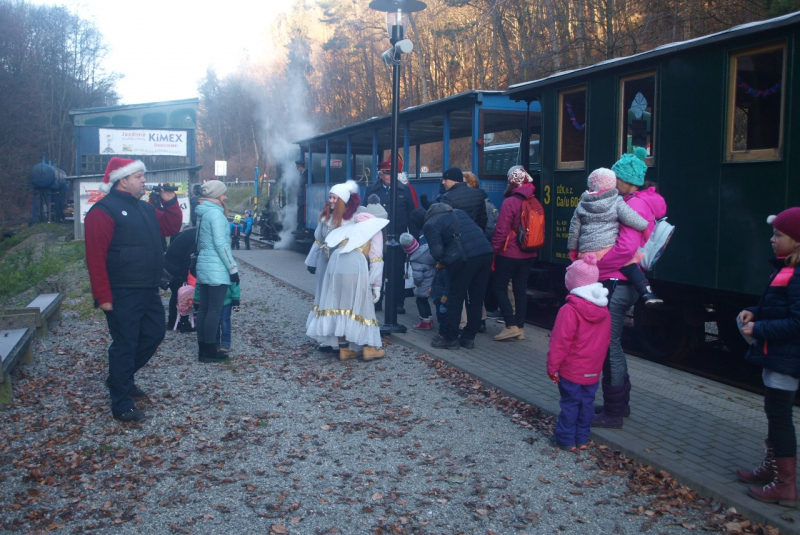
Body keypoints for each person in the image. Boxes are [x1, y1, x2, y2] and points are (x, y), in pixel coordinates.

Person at [84, 157, 182, 422]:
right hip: (121, 291)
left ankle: (121, 377)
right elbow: (95, 257)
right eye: (139, 176)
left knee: (153, 334)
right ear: (123, 179)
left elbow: (172, 226)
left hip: (147, 288)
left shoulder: (145, 209)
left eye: (143, 176)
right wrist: (102, 296)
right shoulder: (103, 211)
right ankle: (120, 400)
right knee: (125, 343)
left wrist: (170, 200)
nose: (144, 180)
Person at [593, 149, 667, 429]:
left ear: (625, 180)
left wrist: (595, 262)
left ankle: (613, 412)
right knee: (613, 344)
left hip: (616, 282)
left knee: (607, 346)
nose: (612, 180)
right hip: (623, 282)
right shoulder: (641, 201)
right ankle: (619, 404)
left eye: (616, 176)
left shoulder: (634, 206)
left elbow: (625, 248)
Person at [735, 208, 800, 507]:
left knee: (780, 418)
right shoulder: (785, 269)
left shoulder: (797, 274)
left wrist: (758, 328)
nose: (772, 240)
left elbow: (797, 322)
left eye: (779, 235)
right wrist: (756, 311)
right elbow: (780, 309)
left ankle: (785, 485)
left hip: (787, 357)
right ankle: (771, 471)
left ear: (797, 241)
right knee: (774, 413)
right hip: (779, 355)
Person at [568, 166, 661, 307]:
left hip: (587, 250)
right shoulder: (617, 202)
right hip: (607, 247)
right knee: (629, 264)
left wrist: (573, 250)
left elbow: (574, 230)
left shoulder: (582, 204)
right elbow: (632, 219)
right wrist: (645, 230)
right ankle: (646, 291)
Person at [547, 254, 611, 452]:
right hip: (592, 370)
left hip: (572, 369)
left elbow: (560, 341)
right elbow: (605, 341)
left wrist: (552, 366)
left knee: (570, 404)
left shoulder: (570, 310)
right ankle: (582, 439)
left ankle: (565, 439)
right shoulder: (604, 310)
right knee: (587, 404)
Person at [306, 211, 388, 360]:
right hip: (355, 264)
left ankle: (344, 349)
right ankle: (369, 348)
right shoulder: (375, 227)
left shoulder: (350, 225)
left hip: (335, 263)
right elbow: (376, 258)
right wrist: (376, 285)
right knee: (362, 305)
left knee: (338, 305)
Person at [423, 202, 493, 349]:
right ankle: (468, 338)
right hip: (486, 252)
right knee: (476, 299)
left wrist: (443, 262)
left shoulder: (430, 224)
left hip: (465, 259)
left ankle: (450, 338)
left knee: (455, 298)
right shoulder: (459, 212)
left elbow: (436, 252)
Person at [305, 180, 361, 353]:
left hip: (341, 264)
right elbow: (319, 240)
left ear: (343, 200)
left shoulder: (350, 221)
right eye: (330, 197)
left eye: (335, 198)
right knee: (324, 297)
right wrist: (311, 261)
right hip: (325, 262)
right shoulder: (325, 217)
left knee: (338, 299)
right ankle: (326, 338)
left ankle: (341, 340)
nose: (331, 201)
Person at [491, 166, 541, 341]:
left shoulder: (510, 202)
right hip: (529, 253)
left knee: (499, 287)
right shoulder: (535, 201)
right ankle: (520, 328)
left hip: (509, 253)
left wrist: (493, 251)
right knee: (520, 289)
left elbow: (501, 231)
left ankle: (510, 325)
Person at [195, 180, 239, 364]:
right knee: (215, 309)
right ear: (217, 196)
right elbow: (222, 245)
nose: (225, 197)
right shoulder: (217, 216)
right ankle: (210, 350)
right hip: (217, 268)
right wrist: (232, 269)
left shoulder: (202, 213)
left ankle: (202, 349)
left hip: (204, 266)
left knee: (204, 309)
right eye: (223, 194)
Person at [366, 156, 415, 314]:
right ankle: (376, 300)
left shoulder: (404, 190)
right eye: (387, 173)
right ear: (380, 174)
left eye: (393, 173)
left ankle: (397, 303)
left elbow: (412, 215)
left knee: (397, 272)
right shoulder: (371, 190)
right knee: (376, 268)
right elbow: (363, 214)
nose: (390, 176)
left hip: (398, 237)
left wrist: (413, 238)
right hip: (377, 237)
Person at [400, 232, 437, 330]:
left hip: (423, 285)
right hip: (431, 281)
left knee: (420, 301)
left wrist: (416, 284)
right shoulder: (426, 250)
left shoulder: (415, 260)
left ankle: (425, 321)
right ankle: (430, 319)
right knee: (425, 301)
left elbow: (418, 277)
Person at [216, 280, 241, 353]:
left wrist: (235, 299)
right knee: (217, 321)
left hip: (225, 300)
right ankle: (217, 341)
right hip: (217, 299)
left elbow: (234, 283)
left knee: (224, 321)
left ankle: (225, 342)